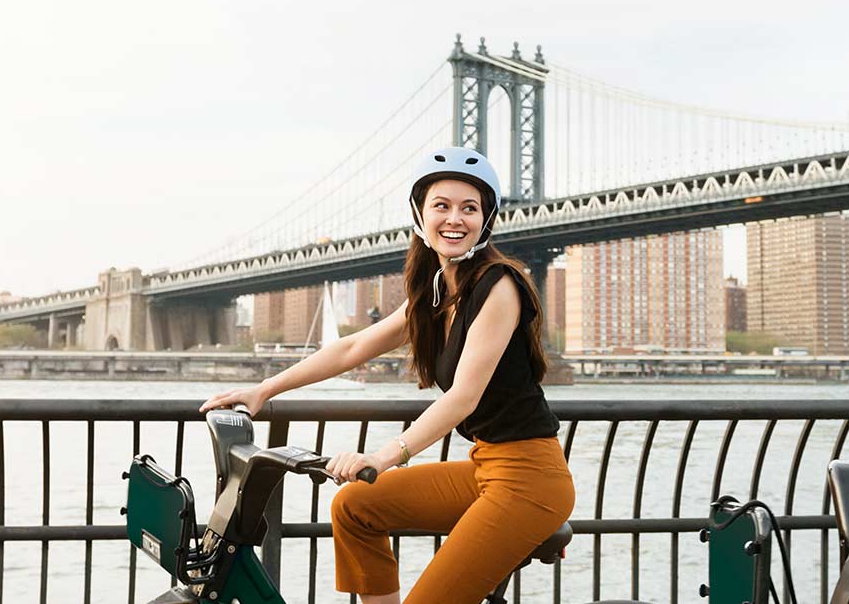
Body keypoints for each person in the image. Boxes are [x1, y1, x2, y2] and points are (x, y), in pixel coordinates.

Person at [199, 147, 573, 604]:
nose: (455, 219)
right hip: (486, 467)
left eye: (469, 208)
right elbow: (353, 347)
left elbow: (463, 398)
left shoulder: (499, 286)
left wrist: (381, 457)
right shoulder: (436, 293)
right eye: (442, 205)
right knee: (355, 507)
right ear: (420, 214)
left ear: (485, 220)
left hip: (531, 480)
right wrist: (265, 389)